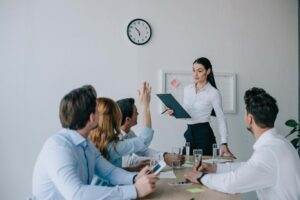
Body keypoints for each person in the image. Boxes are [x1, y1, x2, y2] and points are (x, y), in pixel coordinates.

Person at [32, 85, 158, 200]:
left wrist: (135, 178)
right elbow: (77, 194)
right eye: (98, 110)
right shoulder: (58, 148)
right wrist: (134, 190)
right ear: (92, 117)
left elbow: (109, 172)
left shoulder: (85, 143)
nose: (101, 114)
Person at [184, 87, 300, 200]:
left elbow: (232, 184)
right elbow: (248, 167)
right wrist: (215, 168)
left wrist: (201, 177)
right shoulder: (281, 143)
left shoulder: (268, 152)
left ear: (249, 119)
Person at [166, 57, 234, 157]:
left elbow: (221, 118)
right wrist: (174, 112)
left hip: (204, 134)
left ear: (208, 71)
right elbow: (187, 114)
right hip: (189, 133)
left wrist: (224, 143)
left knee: (204, 169)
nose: (195, 74)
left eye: (200, 71)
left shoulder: (213, 93)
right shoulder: (187, 89)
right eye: (194, 70)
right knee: (186, 166)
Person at [89, 82, 156, 169]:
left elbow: (109, 171)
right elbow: (144, 139)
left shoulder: (94, 140)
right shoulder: (112, 146)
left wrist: (132, 169)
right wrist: (145, 105)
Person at [117, 96, 185, 169]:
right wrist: (163, 159)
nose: (138, 114)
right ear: (127, 119)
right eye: (136, 112)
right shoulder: (116, 138)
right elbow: (128, 162)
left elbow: (143, 150)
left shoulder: (129, 133)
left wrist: (165, 155)